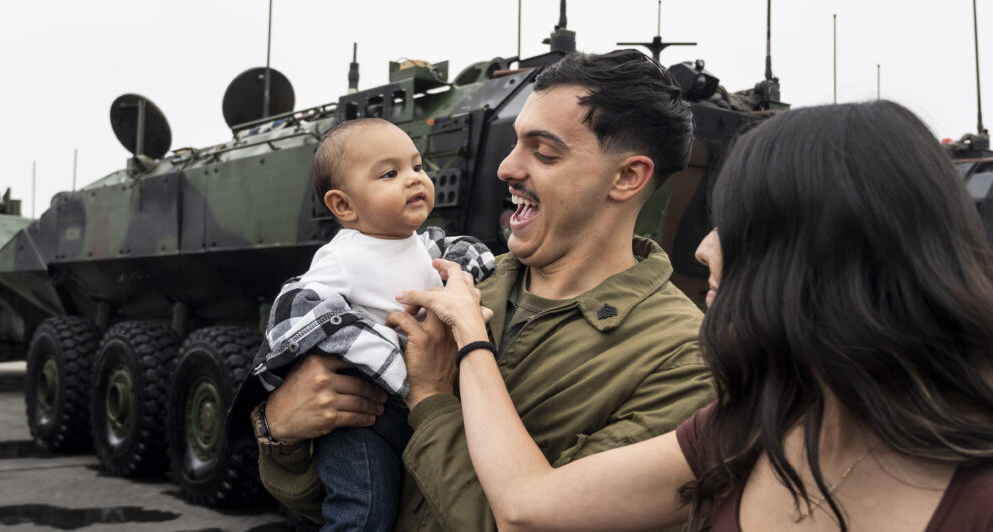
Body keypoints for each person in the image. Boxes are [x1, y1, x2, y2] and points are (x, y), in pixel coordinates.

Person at [399, 100, 993, 531]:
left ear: (825, 258)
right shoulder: (743, 426)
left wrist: (456, 363)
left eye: (738, 226)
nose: (705, 248)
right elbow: (530, 502)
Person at [253, 50, 716, 530]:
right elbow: (355, 501)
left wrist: (430, 397)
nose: (506, 168)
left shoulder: (681, 362)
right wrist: (279, 431)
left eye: (544, 152)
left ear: (626, 177)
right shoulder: (460, 282)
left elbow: (529, 522)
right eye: (515, 143)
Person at [245, 117, 495, 531]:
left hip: (419, 401)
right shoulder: (343, 256)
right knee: (364, 512)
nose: (414, 179)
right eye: (390, 174)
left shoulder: (426, 246)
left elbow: (458, 263)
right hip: (361, 414)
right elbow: (299, 307)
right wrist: (378, 349)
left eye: (418, 166)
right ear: (344, 206)